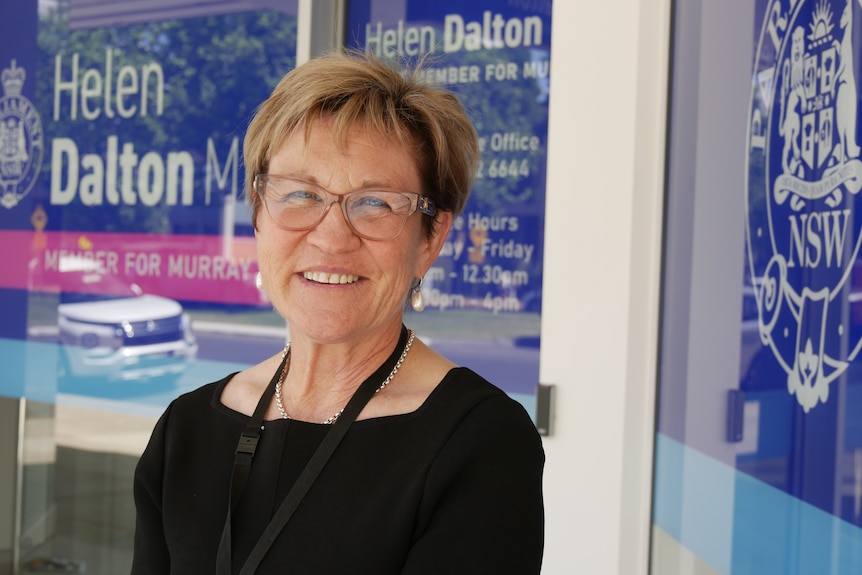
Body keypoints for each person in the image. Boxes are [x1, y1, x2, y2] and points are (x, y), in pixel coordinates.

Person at [132, 49, 545, 574]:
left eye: (375, 203)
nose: (330, 238)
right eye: (301, 193)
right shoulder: (184, 433)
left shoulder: (479, 445)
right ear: (259, 211)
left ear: (431, 236)